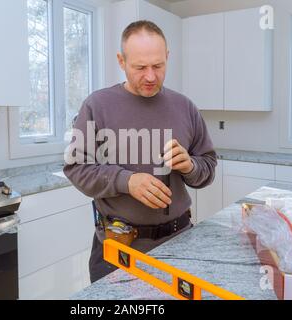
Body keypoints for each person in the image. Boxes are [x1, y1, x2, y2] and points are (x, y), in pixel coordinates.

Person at [63, 20, 217, 283]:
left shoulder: (185, 107)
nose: (150, 76)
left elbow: (208, 166)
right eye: (139, 67)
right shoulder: (97, 105)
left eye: (158, 66)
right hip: (116, 250)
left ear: (167, 57)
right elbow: (76, 167)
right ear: (121, 61)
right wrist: (127, 180)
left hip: (179, 244)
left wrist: (190, 166)